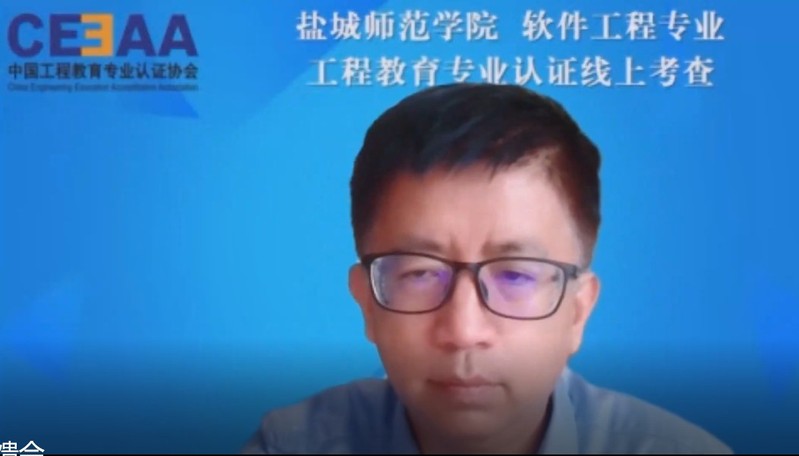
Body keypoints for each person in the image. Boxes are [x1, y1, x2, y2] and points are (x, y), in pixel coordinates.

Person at [242, 83, 732, 454]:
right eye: (420, 273)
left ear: (578, 312)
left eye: (515, 274)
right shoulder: (293, 445)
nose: (463, 331)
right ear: (367, 302)